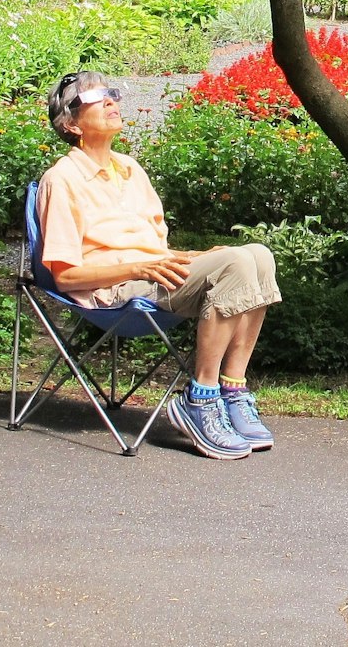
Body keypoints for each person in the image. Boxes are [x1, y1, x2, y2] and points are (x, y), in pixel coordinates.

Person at [38, 70, 282, 461]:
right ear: (70, 123)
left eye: (112, 94)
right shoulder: (61, 179)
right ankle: (200, 398)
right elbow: (65, 276)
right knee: (236, 262)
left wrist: (193, 258)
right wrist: (136, 268)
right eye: (95, 97)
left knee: (257, 256)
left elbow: (155, 249)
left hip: (152, 276)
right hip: (114, 291)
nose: (110, 102)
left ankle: (233, 389)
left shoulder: (132, 170)